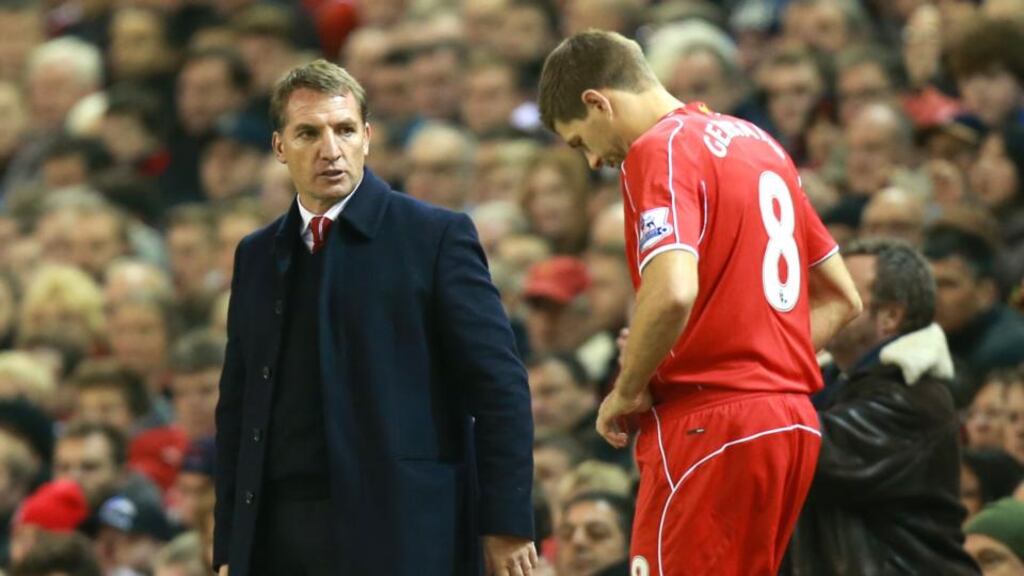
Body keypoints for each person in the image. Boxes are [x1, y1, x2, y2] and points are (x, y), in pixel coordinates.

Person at [538, 30, 862, 575]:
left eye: (580, 141)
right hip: (790, 422)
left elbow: (673, 291)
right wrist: (764, 369)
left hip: (709, 425)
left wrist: (626, 388)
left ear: (598, 101)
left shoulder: (658, 149)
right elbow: (843, 297)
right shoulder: (760, 143)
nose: (593, 160)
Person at [214, 60, 535, 576]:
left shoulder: (434, 237)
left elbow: (500, 387)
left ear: (367, 137)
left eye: (343, 130)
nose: (330, 149)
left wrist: (506, 520)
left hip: (404, 531)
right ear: (279, 147)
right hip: (279, 533)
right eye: (308, 133)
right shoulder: (256, 254)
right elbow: (237, 406)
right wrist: (231, 543)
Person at [782, 239, 979, 574]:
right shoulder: (831, 383)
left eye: (843, 290)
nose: (817, 300)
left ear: (889, 316)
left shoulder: (913, 398)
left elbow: (796, 448)